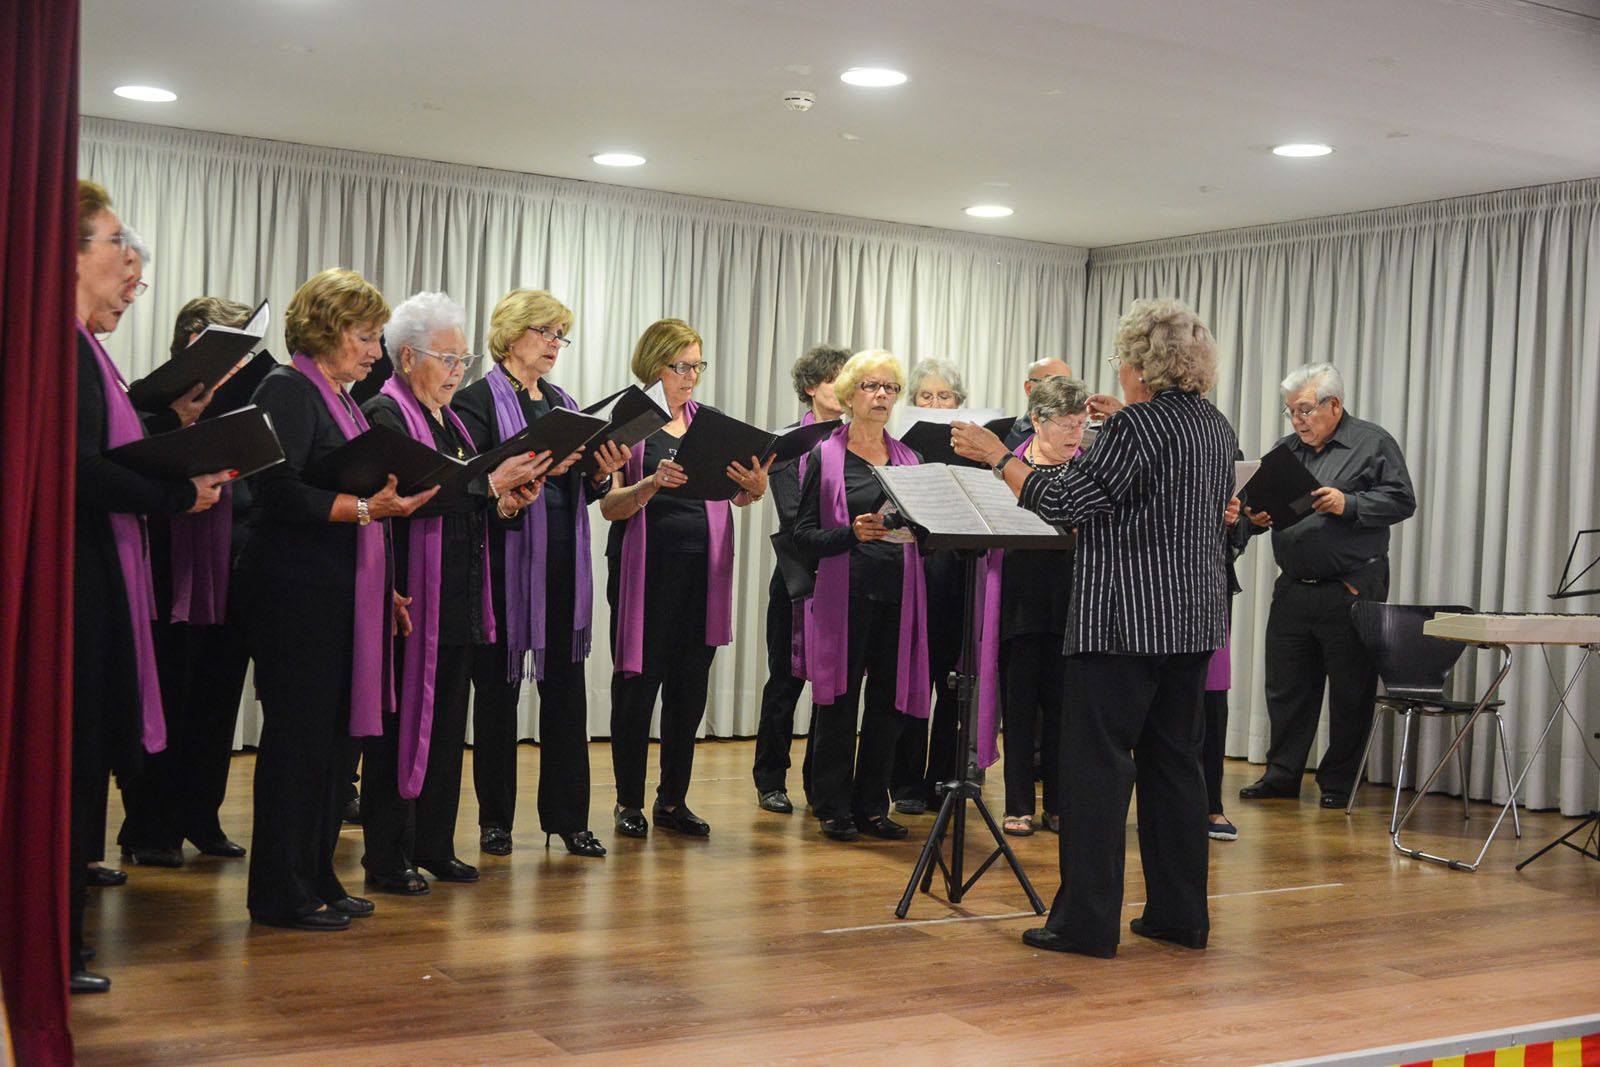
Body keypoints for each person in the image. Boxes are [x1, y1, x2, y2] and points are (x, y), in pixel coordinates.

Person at [952, 297, 1236, 958]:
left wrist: (1000, 456)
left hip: (1122, 623)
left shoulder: (1137, 428)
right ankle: (1179, 914)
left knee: (1095, 773)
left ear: (1140, 364)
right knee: (1174, 770)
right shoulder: (1215, 427)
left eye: (1123, 358)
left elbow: (1062, 499)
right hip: (1191, 622)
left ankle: (1084, 922)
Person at [235, 268, 438, 930]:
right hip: (296, 596)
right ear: (324, 328)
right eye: (366, 336)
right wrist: (363, 507)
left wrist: (387, 587)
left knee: (333, 752)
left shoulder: (344, 398)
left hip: (343, 596)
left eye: (379, 338)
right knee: (298, 747)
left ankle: (318, 874)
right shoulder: (287, 388)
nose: (377, 352)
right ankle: (278, 890)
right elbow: (276, 491)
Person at [70, 181, 231, 993]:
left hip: (102, 567)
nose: (131, 265)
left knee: (91, 741)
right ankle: (58, 941)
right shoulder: (64, 348)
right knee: (78, 749)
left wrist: (173, 427)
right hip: (84, 572)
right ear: (70, 253)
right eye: (115, 244)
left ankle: (68, 917)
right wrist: (178, 494)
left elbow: (115, 444)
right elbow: (85, 468)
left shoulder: (83, 347)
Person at [359, 292, 548, 893]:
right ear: (409, 357)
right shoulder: (383, 414)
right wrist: (488, 484)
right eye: (449, 360)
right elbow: (414, 495)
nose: (457, 374)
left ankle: (434, 844)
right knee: (400, 729)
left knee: (446, 727)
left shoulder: (455, 422)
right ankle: (388, 857)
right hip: (410, 595)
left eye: (464, 362)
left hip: (462, 594)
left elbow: (470, 497)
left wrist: (506, 501)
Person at [455, 289, 631, 859]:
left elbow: (577, 494)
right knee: (498, 694)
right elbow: (470, 489)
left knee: (565, 692)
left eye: (562, 334)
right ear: (511, 336)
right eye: (546, 332)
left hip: (561, 563)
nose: (556, 344)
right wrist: (510, 492)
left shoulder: (563, 401)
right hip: (503, 566)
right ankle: (496, 820)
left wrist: (602, 475)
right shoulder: (475, 402)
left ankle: (568, 819)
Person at [601, 319, 771, 838]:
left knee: (689, 691)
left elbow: (731, 494)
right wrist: (650, 483)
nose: (692, 376)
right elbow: (609, 506)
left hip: (705, 572)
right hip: (647, 574)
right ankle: (629, 802)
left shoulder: (710, 423)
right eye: (682, 366)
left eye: (698, 365)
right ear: (654, 367)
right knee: (637, 689)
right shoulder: (629, 420)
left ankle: (672, 800)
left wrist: (753, 489)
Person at [117, 297, 261, 869]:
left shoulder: (247, 398)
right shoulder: (146, 400)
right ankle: (148, 827)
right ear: (194, 341)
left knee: (215, 699)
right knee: (164, 699)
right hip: (163, 571)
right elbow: (125, 466)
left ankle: (202, 816)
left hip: (229, 569)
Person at [1237, 363, 1416, 809]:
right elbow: (1260, 509)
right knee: (1286, 686)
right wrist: (1254, 518)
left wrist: (1349, 502)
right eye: (1290, 412)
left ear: (1333, 405)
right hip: (1295, 586)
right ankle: (1281, 775)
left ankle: (1338, 781)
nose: (1297, 421)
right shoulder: (1286, 450)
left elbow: (1402, 499)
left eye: (1304, 410)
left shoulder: (1372, 442)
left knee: (1350, 688)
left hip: (1351, 586)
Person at [793, 349, 930, 841]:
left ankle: (873, 805)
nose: (881, 396)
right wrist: (853, 533)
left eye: (890, 388)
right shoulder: (824, 455)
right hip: (844, 595)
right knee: (839, 702)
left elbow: (927, 533)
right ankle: (832, 805)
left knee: (888, 706)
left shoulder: (910, 459)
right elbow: (802, 536)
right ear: (849, 396)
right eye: (871, 386)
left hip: (900, 595)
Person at [752, 344, 849, 814]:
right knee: (787, 679)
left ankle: (821, 782)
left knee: (836, 686)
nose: (844, 388)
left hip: (846, 571)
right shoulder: (789, 440)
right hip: (799, 574)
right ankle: (771, 777)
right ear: (811, 387)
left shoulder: (860, 440)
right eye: (835, 379)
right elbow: (793, 514)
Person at [993, 376, 1089, 837]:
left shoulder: (1090, 466)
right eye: (1066, 423)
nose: (1076, 433)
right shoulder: (1008, 467)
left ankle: (1059, 802)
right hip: (1019, 599)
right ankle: (1017, 804)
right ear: (1036, 419)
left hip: (1075, 603)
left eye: (1082, 422)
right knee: (1019, 707)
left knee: (1063, 710)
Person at [889, 357, 967, 815]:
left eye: (945, 397)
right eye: (926, 397)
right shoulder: (900, 445)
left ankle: (944, 777)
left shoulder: (975, 444)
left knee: (953, 684)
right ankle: (905, 781)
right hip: (915, 570)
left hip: (961, 571)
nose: (935, 405)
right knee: (913, 679)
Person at [1002, 358, 1074, 448]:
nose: (1059, 390)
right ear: (1029, 388)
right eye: (1050, 383)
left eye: (1066, 384)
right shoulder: (1003, 436)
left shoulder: (1082, 437)